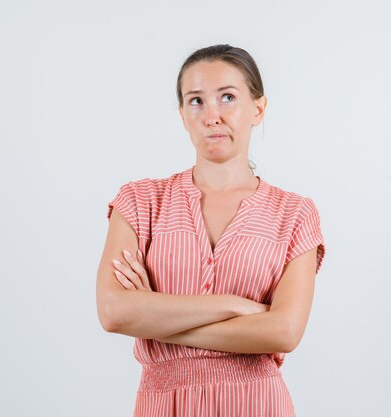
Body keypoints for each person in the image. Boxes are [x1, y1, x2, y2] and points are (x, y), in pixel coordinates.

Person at [96, 44, 326, 417]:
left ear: (258, 108)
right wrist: (233, 307)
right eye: (196, 101)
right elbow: (113, 312)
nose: (212, 116)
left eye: (228, 97)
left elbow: (284, 331)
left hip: (258, 404)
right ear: (183, 115)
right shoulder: (140, 201)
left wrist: (156, 320)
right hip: (163, 403)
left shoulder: (294, 214)